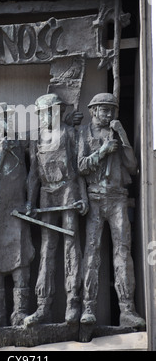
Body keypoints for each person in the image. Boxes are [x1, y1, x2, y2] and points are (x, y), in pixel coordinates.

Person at [77, 93, 145, 328]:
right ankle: (88, 307)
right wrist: (103, 151)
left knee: (122, 254)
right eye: (104, 110)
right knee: (92, 253)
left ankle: (127, 309)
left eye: (112, 110)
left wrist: (122, 135)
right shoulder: (84, 133)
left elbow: (133, 166)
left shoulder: (117, 133)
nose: (108, 114)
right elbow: (80, 166)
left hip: (117, 199)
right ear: (93, 110)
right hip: (95, 198)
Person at [23, 93, 88, 327]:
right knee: (47, 248)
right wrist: (30, 202)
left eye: (46, 112)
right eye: (40, 114)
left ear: (56, 111)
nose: (42, 117)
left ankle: (73, 302)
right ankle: (43, 307)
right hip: (46, 194)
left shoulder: (69, 133)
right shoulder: (36, 138)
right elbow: (33, 174)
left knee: (71, 245)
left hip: (68, 190)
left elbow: (79, 169)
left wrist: (83, 197)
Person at [0, 102, 35, 329]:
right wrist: (2, 150)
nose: (10, 121)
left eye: (12, 117)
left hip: (17, 206)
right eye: (6, 117)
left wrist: (30, 201)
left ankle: (20, 312)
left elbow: (34, 172)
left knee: (21, 257)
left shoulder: (22, 141)